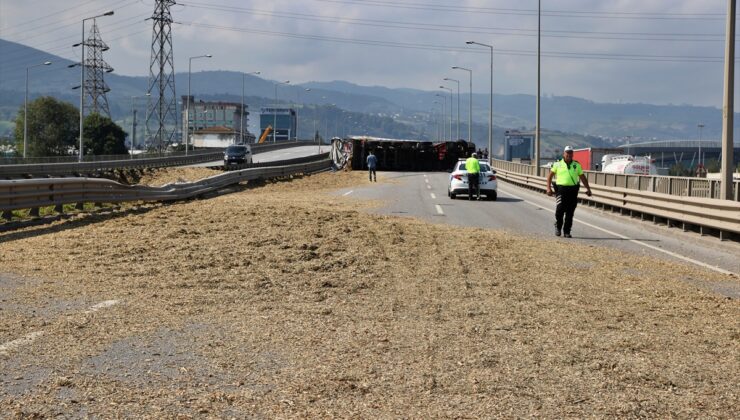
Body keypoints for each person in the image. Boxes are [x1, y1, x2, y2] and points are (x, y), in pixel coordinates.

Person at [546, 146, 592, 238]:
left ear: (572, 154)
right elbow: (550, 176)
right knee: (560, 210)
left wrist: (588, 189)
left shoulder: (576, 165)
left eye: (571, 153)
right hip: (561, 190)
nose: (569, 155)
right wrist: (548, 188)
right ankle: (558, 226)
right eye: (567, 153)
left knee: (570, 212)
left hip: (573, 191)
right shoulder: (557, 164)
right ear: (564, 154)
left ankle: (567, 231)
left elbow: (582, 177)